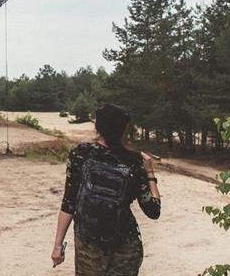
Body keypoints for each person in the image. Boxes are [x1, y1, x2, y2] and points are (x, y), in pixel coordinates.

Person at [50, 104, 161, 275]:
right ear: (123, 130)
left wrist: (58, 245)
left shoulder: (80, 154)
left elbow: (69, 202)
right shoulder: (133, 162)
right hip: (125, 249)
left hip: (89, 247)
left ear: (98, 128)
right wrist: (150, 172)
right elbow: (153, 210)